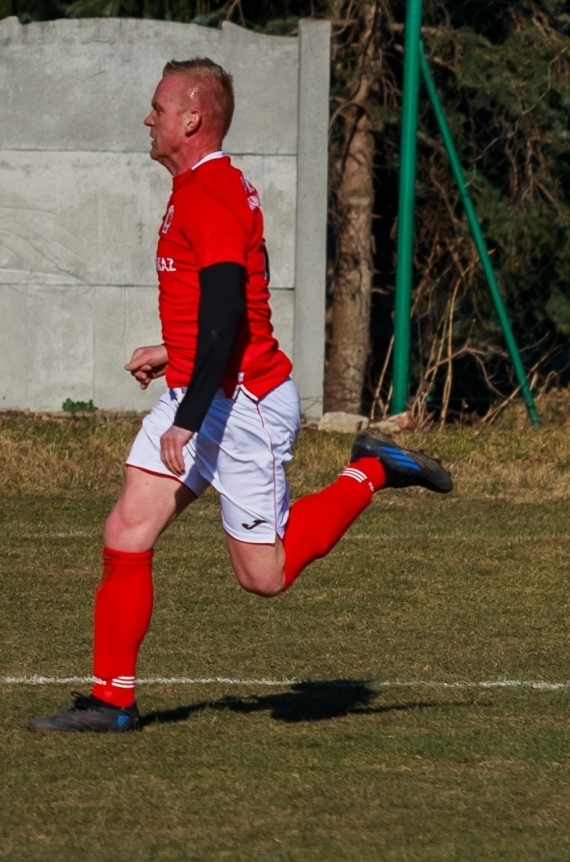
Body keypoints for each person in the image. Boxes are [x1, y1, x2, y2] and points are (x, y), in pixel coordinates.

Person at [27, 58, 452, 733]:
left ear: (191, 119)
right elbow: (225, 303)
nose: (149, 119)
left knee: (266, 576)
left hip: (242, 401)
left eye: (159, 109)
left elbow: (226, 309)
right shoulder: (201, 188)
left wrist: (188, 417)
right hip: (208, 385)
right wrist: (174, 352)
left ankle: (371, 468)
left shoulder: (211, 193)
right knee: (127, 528)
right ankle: (111, 701)